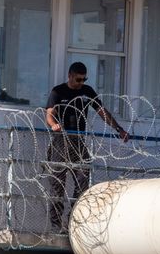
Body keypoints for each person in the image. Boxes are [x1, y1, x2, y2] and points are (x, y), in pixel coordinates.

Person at [44, 61, 129, 228]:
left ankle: (73, 221)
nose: (81, 83)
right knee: (57, 186)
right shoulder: (58, 91)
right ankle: (56, 226)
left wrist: (119, 129)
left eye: (84, 79)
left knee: (83, 178)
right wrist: (53, 124)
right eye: (78, 79)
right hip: (61, 141)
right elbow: (49, 114)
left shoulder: (86, 91)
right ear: (70, 76)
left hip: (78, 141)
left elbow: (102, 112)